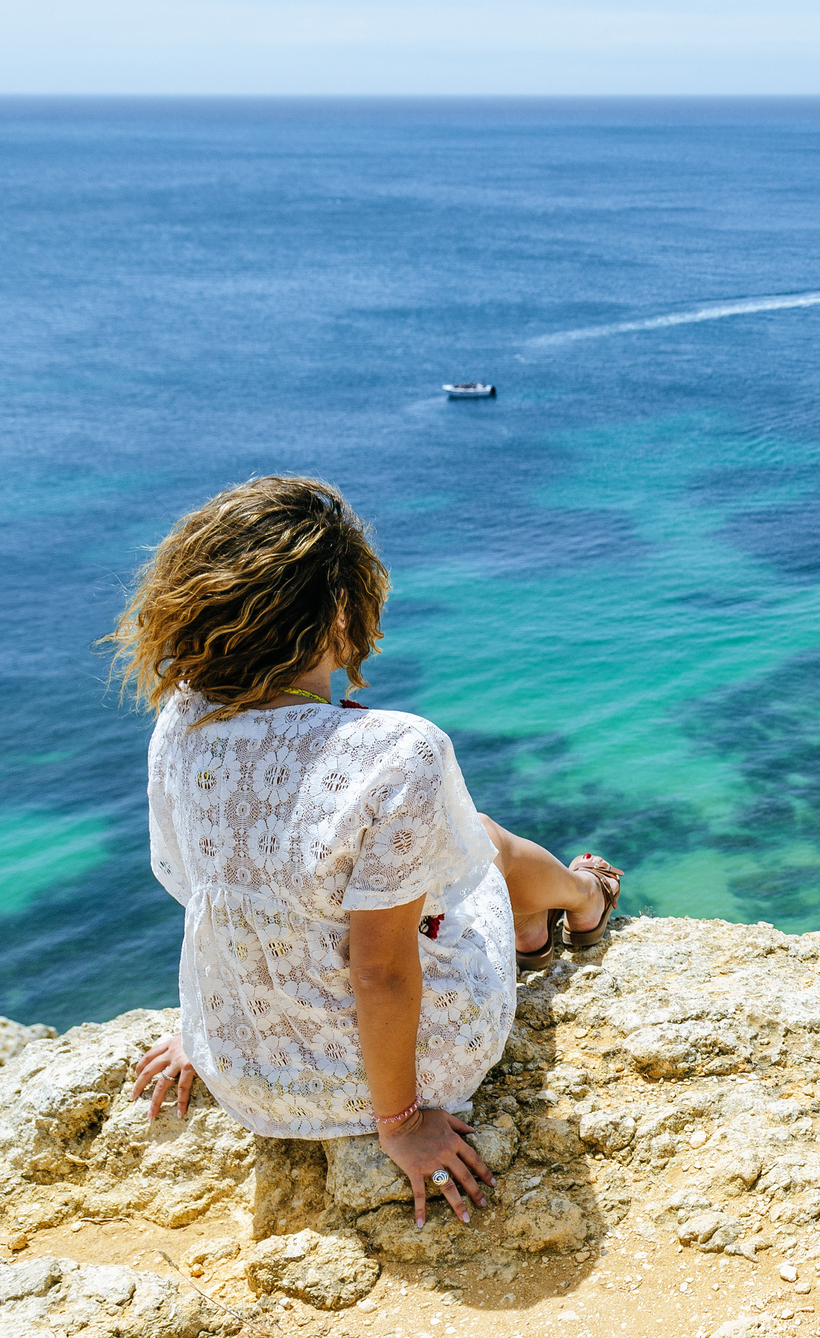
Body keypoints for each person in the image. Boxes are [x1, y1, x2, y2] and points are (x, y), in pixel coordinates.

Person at [107, 476, 621, 1228]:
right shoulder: (393, 751)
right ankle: (582, 899)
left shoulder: (182, 719)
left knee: (426, 858)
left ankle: (540, 923)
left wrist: (207, 1029)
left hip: (245, 1072)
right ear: (340, 611)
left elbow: (210, 890)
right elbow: (378, 971)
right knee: (475, 834)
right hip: (406, 1070)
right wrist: (403, 1123)